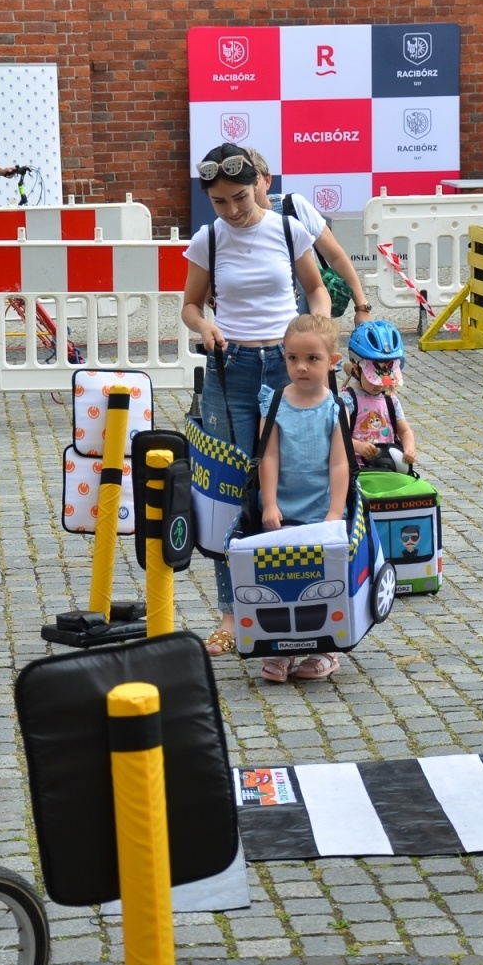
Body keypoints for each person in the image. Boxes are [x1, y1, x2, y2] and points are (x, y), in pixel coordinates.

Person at [180, 142, 331, 656]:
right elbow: (189, 306)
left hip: (288, 368)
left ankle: (298, 600)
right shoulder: (209, 240)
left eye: (240, 197)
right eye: (220, 202)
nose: (233, 211)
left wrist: (317, 333)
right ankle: (230, 611)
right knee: (231, 490)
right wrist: (206, 324)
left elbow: (316, 291)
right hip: (232, 369)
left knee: (296, 476)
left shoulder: (288, 228)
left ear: (260, 185)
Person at [253, 313, 350, 682]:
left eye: (313, 359)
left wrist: (335, 512)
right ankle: (277, 648)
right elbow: (269, 454)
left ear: (332, 362)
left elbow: (340, 463)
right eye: (293, 358)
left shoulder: (335, 408)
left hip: (320, 510)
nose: (302, 367)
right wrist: (270, 502)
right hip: (282, 511)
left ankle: (324, 646)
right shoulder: (275, 402)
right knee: (277, 579)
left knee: (321, 580)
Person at [244, 148, 374, 323]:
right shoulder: (229, 226)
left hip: (308, 325)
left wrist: (361, 307)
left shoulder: (293, 207)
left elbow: (335, 256)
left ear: (267, 180)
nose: (248, 190)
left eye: (253, 181)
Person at [341, 320, 418, 474]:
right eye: (374, 379)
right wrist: (358, 446)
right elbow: (338, 436)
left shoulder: (391, 401)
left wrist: (409, 448)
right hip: (356, 469)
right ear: (356, 369)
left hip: (388, 467)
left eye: (385, 380)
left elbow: (404, 431)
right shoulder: (347, 400)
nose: (380, 385)